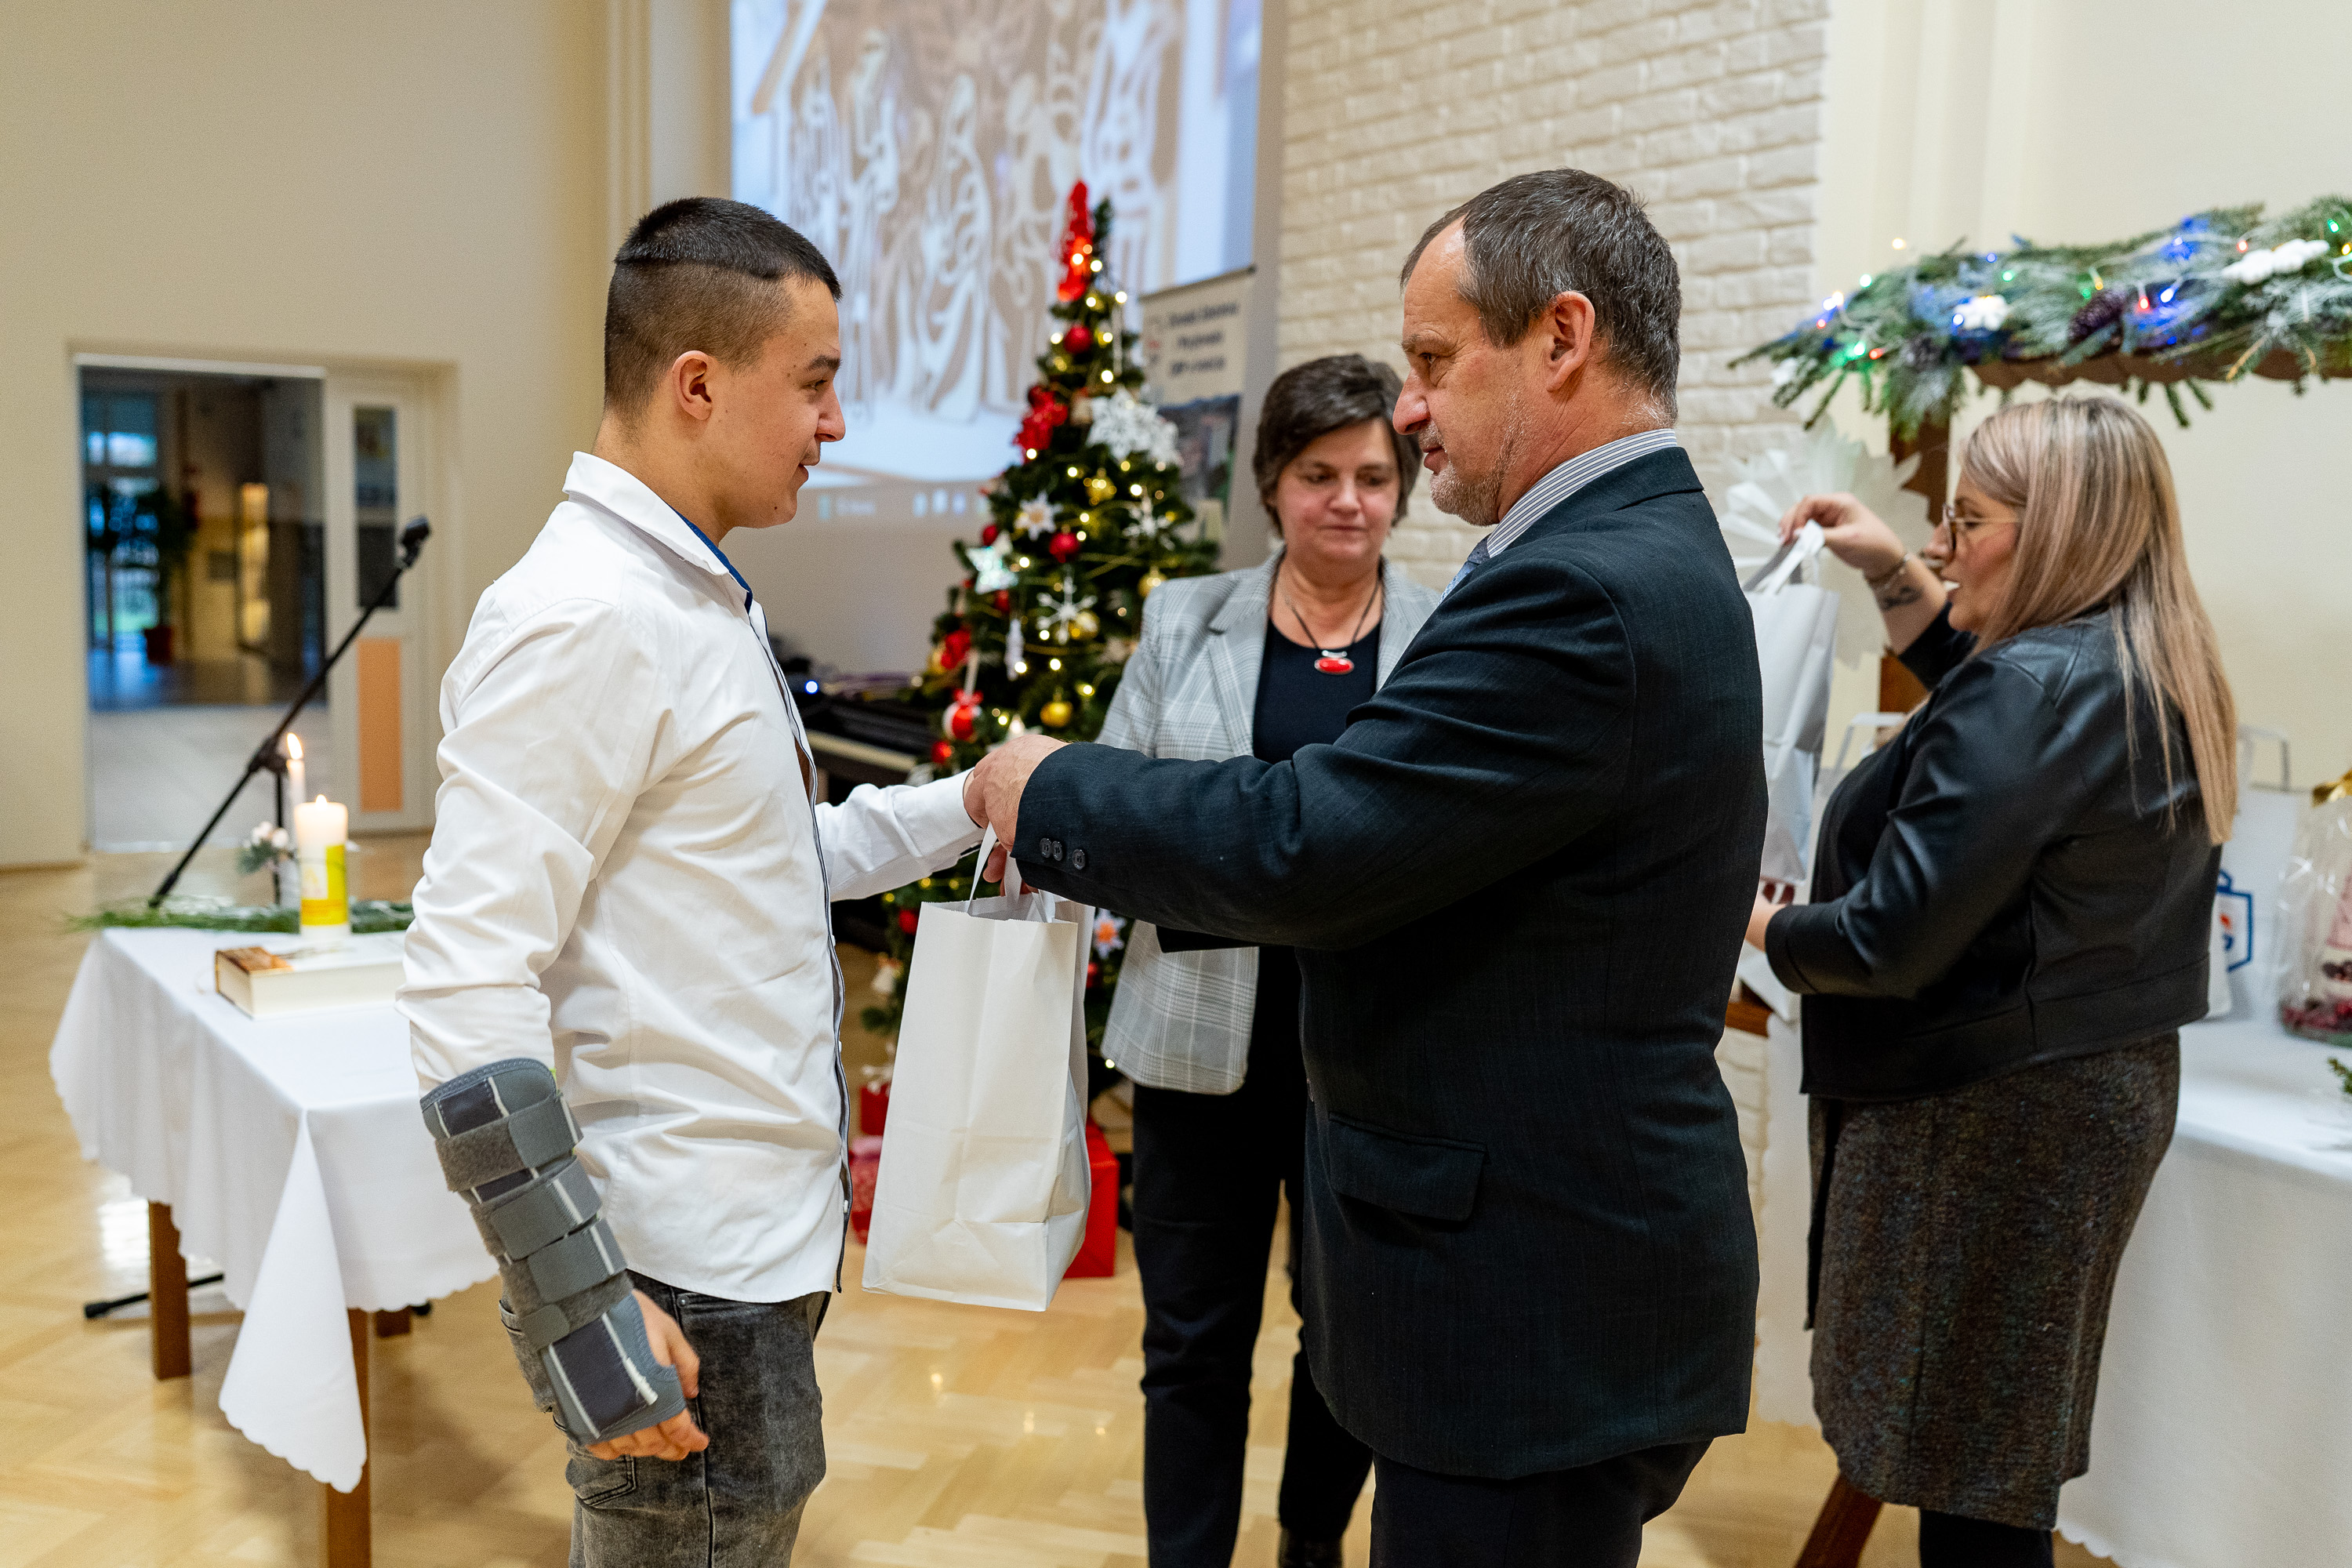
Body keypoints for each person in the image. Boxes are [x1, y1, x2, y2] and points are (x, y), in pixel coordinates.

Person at [970, 169, 1765, 1566]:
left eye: (1436, 361)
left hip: (1528, 1298)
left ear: (1561, 338)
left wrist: (1050, 789)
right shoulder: (1621, 550)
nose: (1410, 409)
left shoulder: (1575, 587)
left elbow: (1311, 843)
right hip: (1546, 1269)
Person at [400, 198, 986, 1564]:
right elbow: (463, 978)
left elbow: (767, 864)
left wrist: (967, 805)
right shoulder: (587, 614)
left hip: (748, 1258)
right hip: (677, 1278)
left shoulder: (686, 596)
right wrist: (577, 1298)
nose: (836, 423)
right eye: (817, 382)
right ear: (699, 385)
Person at [1750, 397, 2237, 1568]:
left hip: (1981, 1120)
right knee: (1990, 1453)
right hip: (2078, 1096)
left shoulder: (2033, 691)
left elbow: (1888, 941)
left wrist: (1753, 921)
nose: (1943, 543)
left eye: (1968, 521)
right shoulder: (2140, 659)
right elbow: (1987, 717)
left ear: (2056, 531)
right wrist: (1890, 574)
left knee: (1963, 1468)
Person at [1098, 354, 1439, 1568]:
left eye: (1373, 477)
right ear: (1270, 484)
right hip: (1200, 1050)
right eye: (1318, 475)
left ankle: (1309, 1548)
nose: (1348, 501)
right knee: (1191, 1342)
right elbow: (1118, 808)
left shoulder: (1451, 633)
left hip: (1375, 1060)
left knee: (1347, 1340)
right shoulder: (1183, 619)